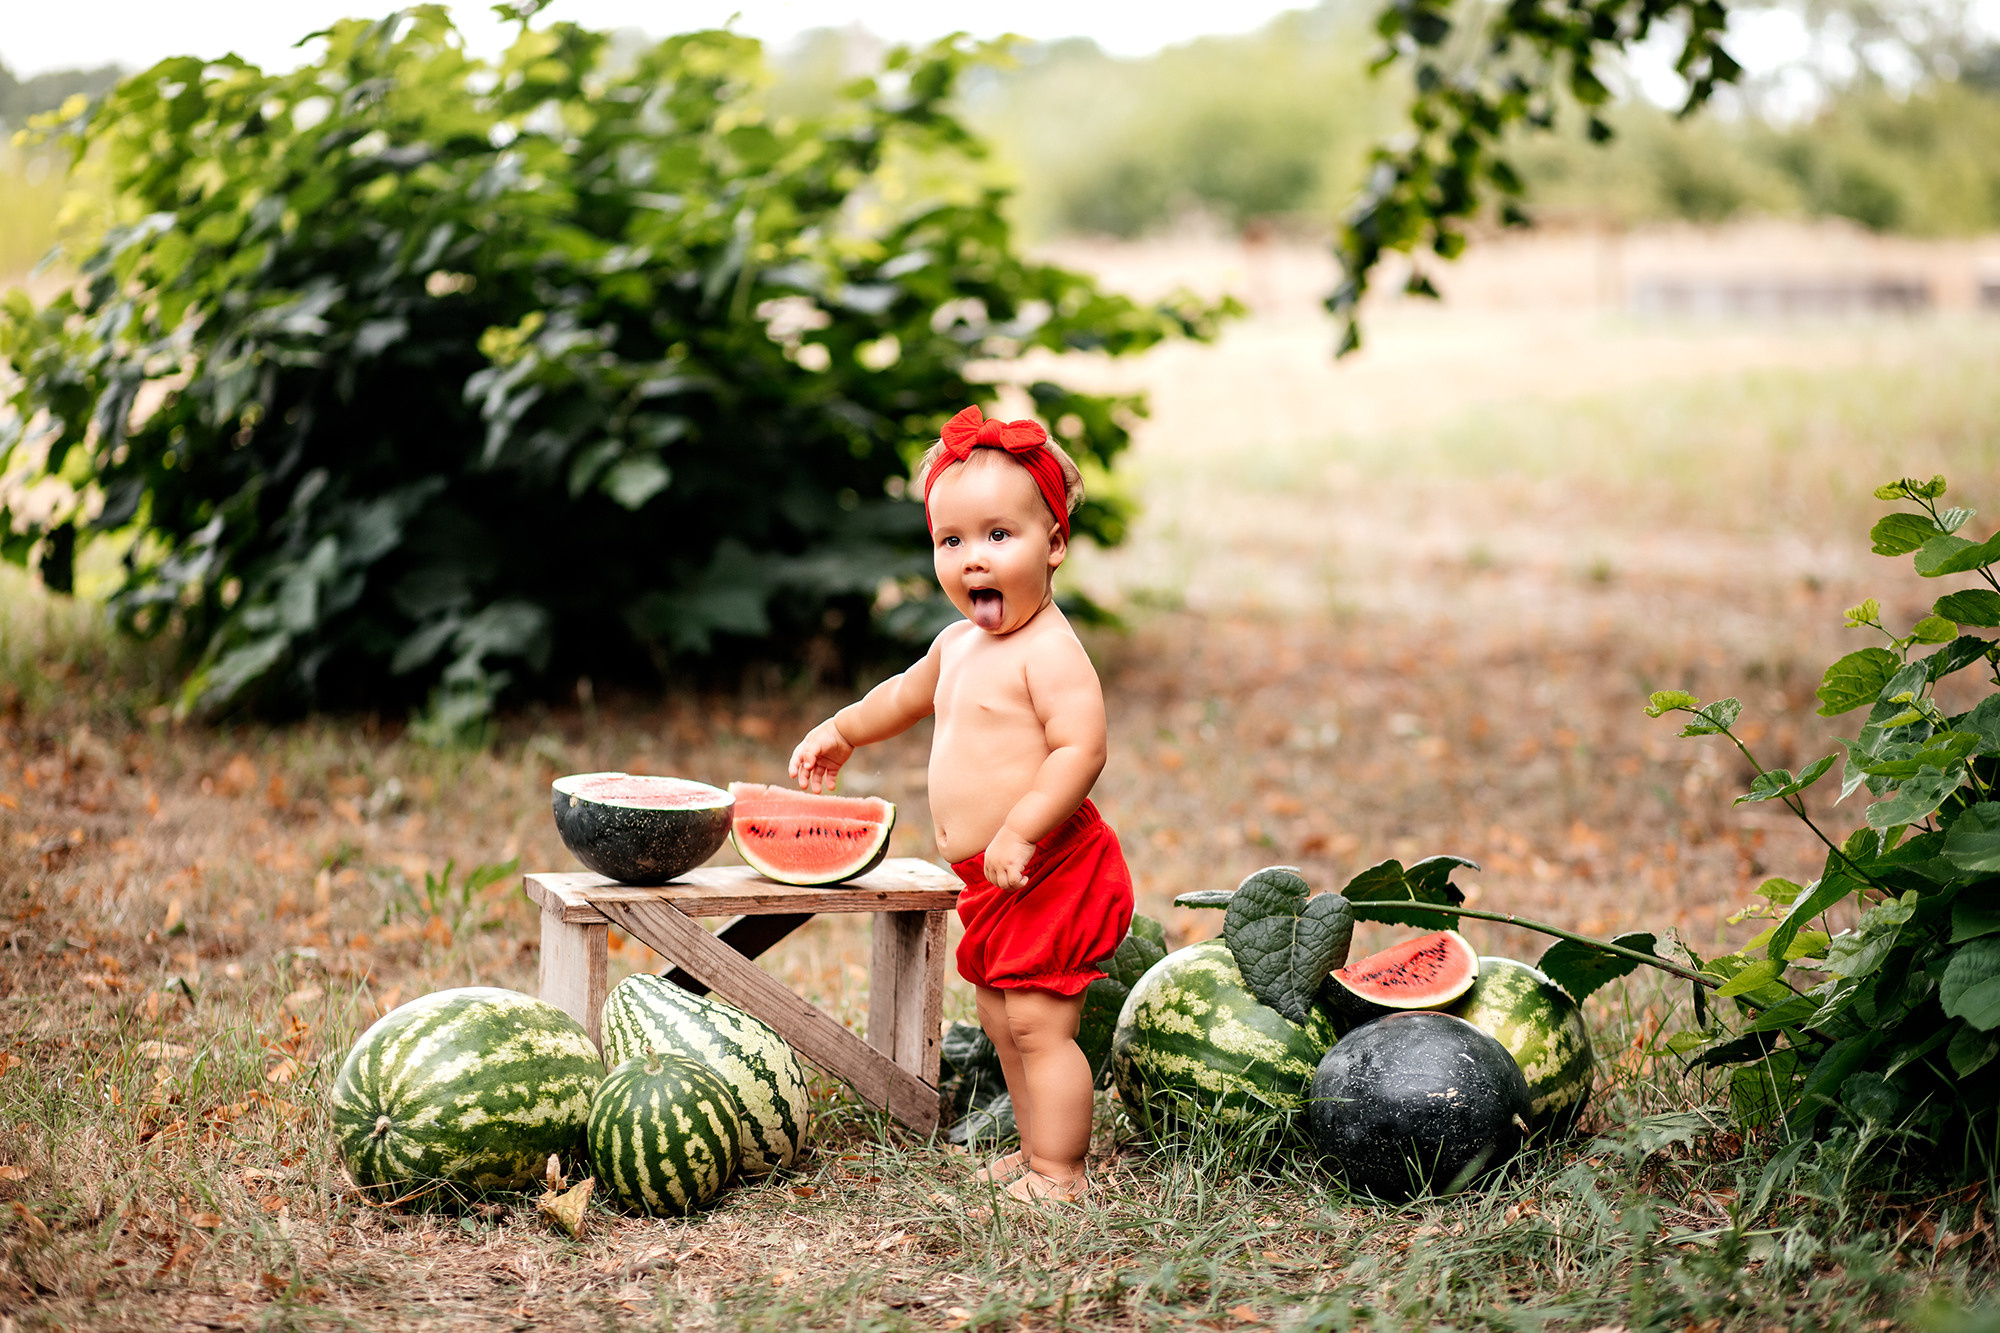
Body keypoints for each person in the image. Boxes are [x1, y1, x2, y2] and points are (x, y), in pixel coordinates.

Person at [788, 405, 1135, 1202]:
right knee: (1000, 1017)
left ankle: (1061, 1169)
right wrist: (843, 730)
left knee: (1039, 1024)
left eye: (999, 537)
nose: (973, 559)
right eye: (951, 541)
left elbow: (1081, 749)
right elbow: (902, 696)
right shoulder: (956, 643)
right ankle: (1034, 1144)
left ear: (1054, 543)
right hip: (990, 877)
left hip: (1050, 862)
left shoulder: (1050, 649)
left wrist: (1021, 827)